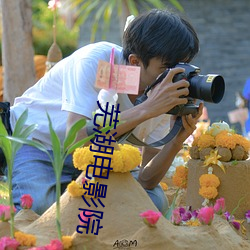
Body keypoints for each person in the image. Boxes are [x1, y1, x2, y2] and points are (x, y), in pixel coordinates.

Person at [6, 9, 202, 215]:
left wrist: (176, 140)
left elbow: (146, 180)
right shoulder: (97, 62)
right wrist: (147, 109)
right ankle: (63, 197)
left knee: (152, 202)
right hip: (37, 143)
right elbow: (76, 140)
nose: (175, 76)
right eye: (167, 68)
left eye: (182, 66)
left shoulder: (164, 89)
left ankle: (69, 199)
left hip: (96, 156)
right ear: (135, 62)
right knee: (39, 208)